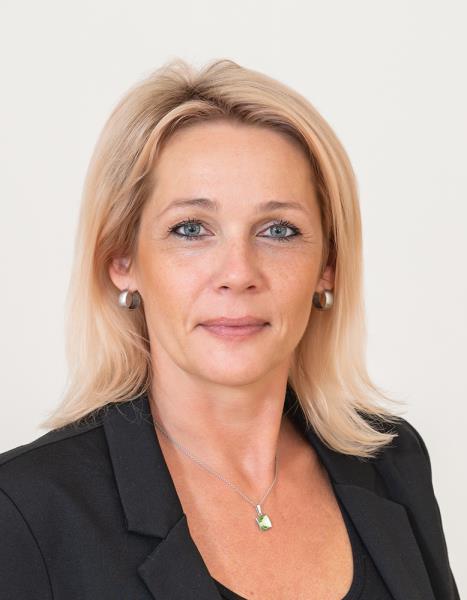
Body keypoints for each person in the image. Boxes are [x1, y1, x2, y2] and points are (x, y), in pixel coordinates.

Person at [0, 58, 459, 600]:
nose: (238, 273)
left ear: (328, 267)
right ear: (122, 260)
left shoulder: (393, 462)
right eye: (191, 229)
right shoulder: (24, 510)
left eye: (279, 230)